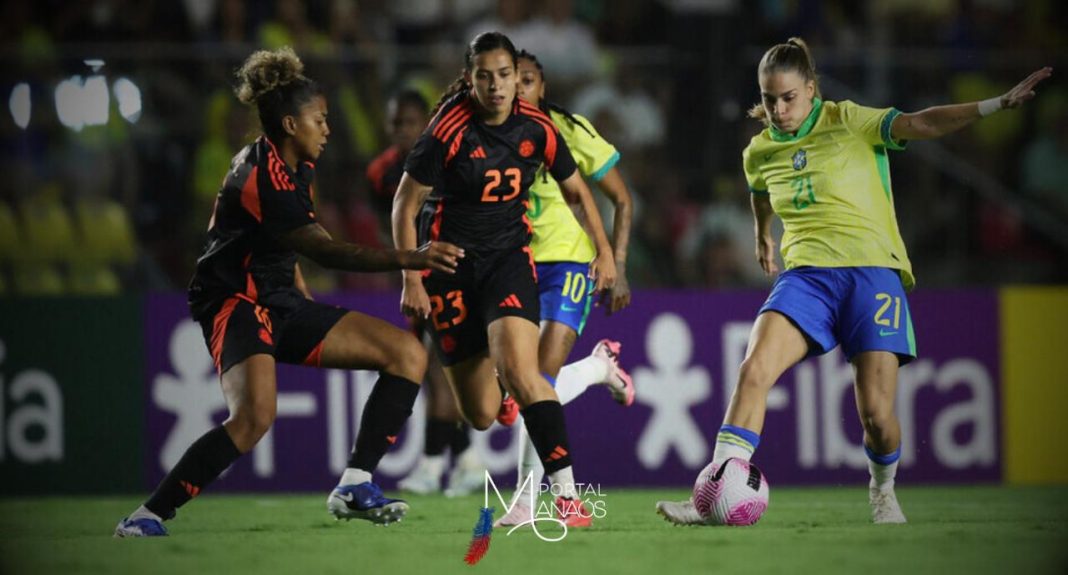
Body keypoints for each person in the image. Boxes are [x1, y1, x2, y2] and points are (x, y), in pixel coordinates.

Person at [655, 38, 1051, 526]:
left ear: (812, 89)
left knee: (877, 419)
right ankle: (713, 494)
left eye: (789, 98)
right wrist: (763, 236)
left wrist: (996, 104)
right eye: (770, 99)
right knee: (754, 368)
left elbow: (922, 122)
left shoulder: (848, 120)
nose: (779, 110)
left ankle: (882, 491)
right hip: (807, 278)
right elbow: (760, 194)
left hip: (871, 274)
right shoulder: (757, 152)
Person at [114, 47, 464, 537]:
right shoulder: (260, 175)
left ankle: (356, 483)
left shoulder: (299, 164)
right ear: (289, 123)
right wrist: (412, 257)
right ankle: (147, 515)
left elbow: (286, 244)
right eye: (319, 119)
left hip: (279, 297)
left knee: (407, 354)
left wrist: (301, 302)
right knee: (254, 417)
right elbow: (326, 251)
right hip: (234, 301)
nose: (328, 129)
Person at [392, 31, 617, 523]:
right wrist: (412, 277)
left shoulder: (538, 126)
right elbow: (404, 204)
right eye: (485, 76)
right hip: (449, 270)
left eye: (505, 75)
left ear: (518, 78)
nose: (496, 86)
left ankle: (566, 498)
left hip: (508, 263)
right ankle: (504, 369)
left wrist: (605, 250)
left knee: (525, 372)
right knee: (480, 412)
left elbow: (578, 189)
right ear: (470, 79)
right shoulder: (447, 128)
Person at [493, 49, 635, 529]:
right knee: (523, 381)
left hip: (569, 262)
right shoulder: (492, 136)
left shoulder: (568, 130)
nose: (521, 88)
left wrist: (615, 260)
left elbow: (620, 196)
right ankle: (599, 368)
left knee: (538, 381)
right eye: (516, 80)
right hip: (514, 264)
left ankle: (530, 501)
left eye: (529, 80)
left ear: (541, 85)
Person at [370, 89, 485, 496]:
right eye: (395, 123)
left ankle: (435, 464)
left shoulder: (448, 157)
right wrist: (406, 273)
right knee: (434, 369)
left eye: (410, 122)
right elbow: (390, 228)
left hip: (450, 273)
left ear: (426, 123)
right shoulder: (380, 173)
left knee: (439, 369)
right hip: (416, 277)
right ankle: (467, 461)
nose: (402, 131)